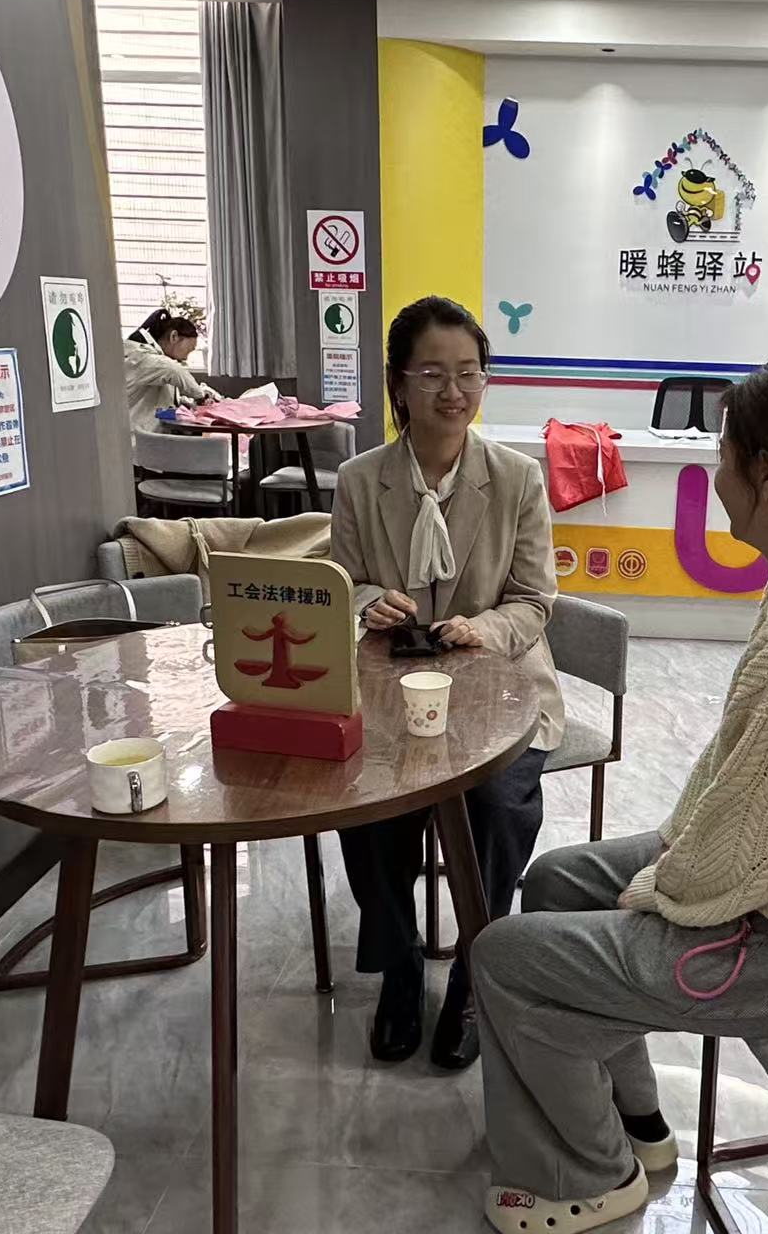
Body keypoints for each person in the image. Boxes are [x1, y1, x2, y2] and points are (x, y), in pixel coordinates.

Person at [469, 351, 768, 1234]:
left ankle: (592, 1174)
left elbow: (733, 865)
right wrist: (665, 864)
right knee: (555, 883)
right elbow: (747, 794)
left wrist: (654, 886)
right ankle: (638, 1125)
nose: (714, 474)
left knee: (503, 956)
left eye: (723, 455)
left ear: (765, 476)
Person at [332, 295, 564, 1071]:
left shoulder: (516, 478)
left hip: (500, 690)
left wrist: (482, 630)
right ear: (398, 383)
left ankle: (472, 970)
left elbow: (533, 599)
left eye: (469, 373)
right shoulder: (360, 479)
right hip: (390, 692)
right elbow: (345, 582)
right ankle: (400, 967)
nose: (453, 391)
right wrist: (372, 602)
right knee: (366, 806)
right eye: (432, 373)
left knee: (497, 804)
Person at [124, 309, 218, 434]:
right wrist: (201, 396)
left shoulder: (157, 362)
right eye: (188, 350)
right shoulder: (140, 356)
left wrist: (188, 401)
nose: (185, 358)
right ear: (174, 337)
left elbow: (167, 395)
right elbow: (174, 371)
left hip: (150, 433)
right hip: (138, 438)